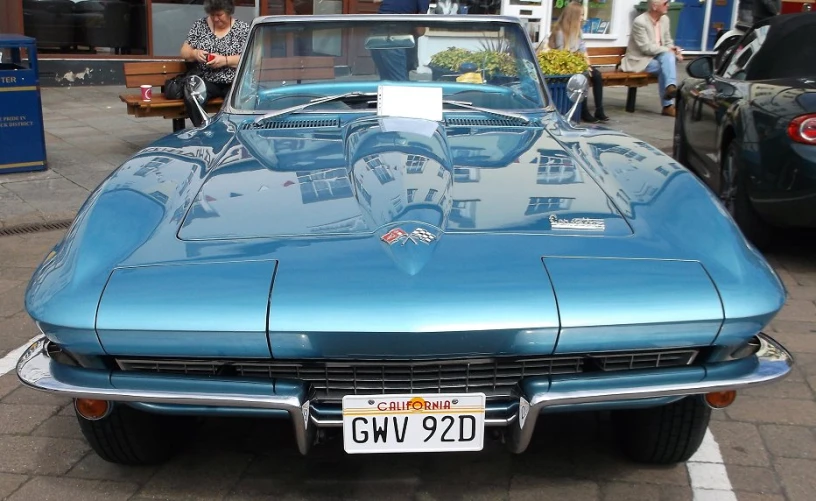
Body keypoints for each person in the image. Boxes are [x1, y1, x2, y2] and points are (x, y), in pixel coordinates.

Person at [180, 0, 250, 126]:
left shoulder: (242, 28)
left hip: (233, 81)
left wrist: (225, 60)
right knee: (192, 95)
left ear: (229, 12)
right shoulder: (200, 25)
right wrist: (195, 53)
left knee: (240, 99)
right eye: (212, 15)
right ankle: (203, 127)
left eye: (219, 15)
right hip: (207, 79)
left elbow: (250, 58)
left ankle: (229, 128)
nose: (216, 19)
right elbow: (184, 52)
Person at [544, 1, 609, 123]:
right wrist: (579, 66)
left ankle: (599, 110)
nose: (583, 18)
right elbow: (561, 55)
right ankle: (584, 112)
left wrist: (588, 65)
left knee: (596, 75)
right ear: (573, 16)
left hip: (578, 64)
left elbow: (583, 51)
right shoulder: (559, 32)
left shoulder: (579, 32)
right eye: (581, 15)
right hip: (564, 67)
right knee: (583, 77)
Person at [621, 0, 683, 117]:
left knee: (667, 60)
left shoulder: (665, 20)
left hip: (659, 58)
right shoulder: (640, 22)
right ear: (655, 6)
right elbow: (646, 48)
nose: (668, 5)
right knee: (666, 65)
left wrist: (674, 49)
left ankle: (670, 90)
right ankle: (668, 103)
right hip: (640, 60)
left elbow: (668, 41)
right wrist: (668, 51)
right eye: (665, 3)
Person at [371, 0, 430, 81]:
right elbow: (420, 31)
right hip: (394, 38)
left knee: (386, 82)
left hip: (374, 36)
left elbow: (376, 1)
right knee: (400, 83)